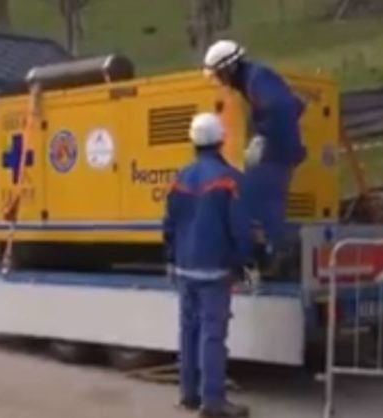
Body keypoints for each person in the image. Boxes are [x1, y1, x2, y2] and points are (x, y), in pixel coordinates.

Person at [163, 113, 255, 418]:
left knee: (188, 331)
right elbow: (239, 228)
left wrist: (171, 259)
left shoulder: (180, 178)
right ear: (221, 140)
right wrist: (243, 262)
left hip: (185, 268)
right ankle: (213, 402)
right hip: (215, 269)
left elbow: (169, 224)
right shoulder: (228, 179)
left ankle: (188, 395)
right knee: (212, 335)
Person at [202, 40, 307, 276]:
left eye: (220, 74)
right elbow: (295, 105)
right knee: (260, 199)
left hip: (276, 153)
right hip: (280, 150)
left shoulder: (257, 79)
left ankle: (279, 253)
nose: (220, 80)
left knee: (261, 200)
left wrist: (263, 137)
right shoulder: (252, 80)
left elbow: (283, 106)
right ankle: (275, 252)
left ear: (230, 68)